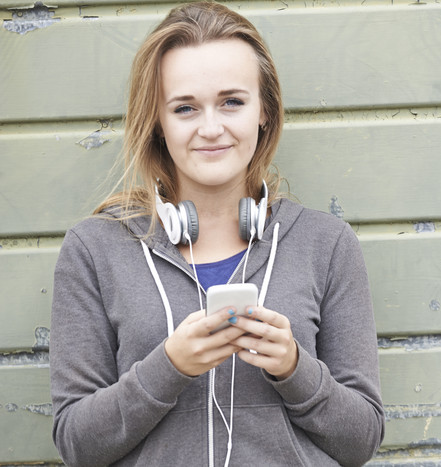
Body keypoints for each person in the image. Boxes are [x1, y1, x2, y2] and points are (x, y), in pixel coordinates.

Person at [49, 2, 384, 466]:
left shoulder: (326, 245)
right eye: (185, 108)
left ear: (263, 110)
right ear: (159, 124)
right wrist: (169, 367)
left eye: (232, 101)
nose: (211, 128)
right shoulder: (95, 250)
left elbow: (361, 439)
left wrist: (293, 367)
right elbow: (76, 444)